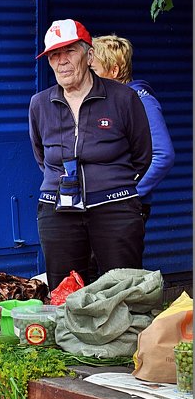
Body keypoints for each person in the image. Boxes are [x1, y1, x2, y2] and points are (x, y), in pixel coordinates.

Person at [28, 18, 152, 290]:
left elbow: (143, 155)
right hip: (58, 210)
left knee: (123, 292)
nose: (62, 61)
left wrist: (110, 186)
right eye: (54, 55)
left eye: (69, 51)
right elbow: (41, 157)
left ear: (89, 54)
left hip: (115, 209)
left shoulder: (123, 98)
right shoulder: (40, 104)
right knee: (64, 293)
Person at [90, 35, 174, 223]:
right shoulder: (104, 103)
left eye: (93, 70)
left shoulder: (141, 101)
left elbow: (163, 155)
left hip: (123, 210)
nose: (88, 77)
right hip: (100, 206)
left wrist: (128, 194)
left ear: (114, 71)